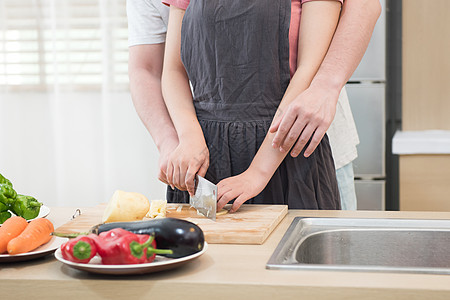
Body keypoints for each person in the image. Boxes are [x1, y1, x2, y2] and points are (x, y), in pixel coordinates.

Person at [127, 0, 381, 210]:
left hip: (289, 145)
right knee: (209, 264)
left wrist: (258, 172)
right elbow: (166, 69)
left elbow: (310, 71)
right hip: (208, 157)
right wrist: (184, 137)